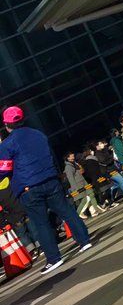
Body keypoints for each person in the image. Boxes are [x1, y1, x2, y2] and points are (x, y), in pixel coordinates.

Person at [0, 106, 91, 274]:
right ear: (23, 119)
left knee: (41, 223)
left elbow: (3, 170)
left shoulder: (7, 144)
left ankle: (54, 258)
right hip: (50, 179)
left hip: (28, 187)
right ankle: (85, 241)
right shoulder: (38, 134)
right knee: (66, 211)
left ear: (6, 125)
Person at [63, 153, 105, 218]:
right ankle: (78, 214)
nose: (73, 157)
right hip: (78, 185)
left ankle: (96, 210)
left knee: (91, 194)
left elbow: (82, 172)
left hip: (84, 182)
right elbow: (71, 179)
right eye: (72, 156)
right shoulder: (68, 167)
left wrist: (79, 167)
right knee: (85, 199)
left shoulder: (74, 164)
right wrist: (75, 189)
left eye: (73, 156)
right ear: (68, 158)